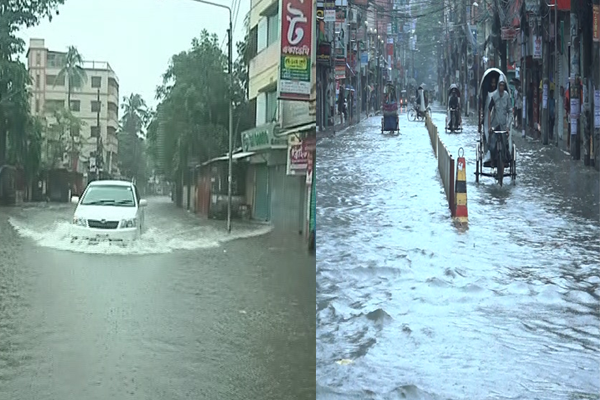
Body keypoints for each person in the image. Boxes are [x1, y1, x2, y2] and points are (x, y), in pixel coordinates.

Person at [484, 76, 512, 164]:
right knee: (492, 145)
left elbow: (510, 111)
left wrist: (508, 126)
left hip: (503, 125)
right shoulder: (494, 96)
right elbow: (489, 110)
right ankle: (491, 160)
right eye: (500, 85)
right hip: (495, 125)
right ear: (498, 86)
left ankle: (506, 158)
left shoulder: (507, 96)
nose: (501, 88)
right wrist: (489, 126)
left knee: (505, 145)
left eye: (503, 86)